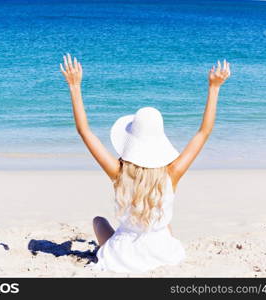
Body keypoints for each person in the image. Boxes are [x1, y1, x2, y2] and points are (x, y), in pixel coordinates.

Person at [60, 54, 231, 273]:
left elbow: (85, 132)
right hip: (162, 251)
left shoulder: (118, 173)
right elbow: (203, 132)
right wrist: (214, 87)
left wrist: (74, 86)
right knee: (162, 221)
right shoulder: (172, 173)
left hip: (122, 256)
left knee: (98, 221)